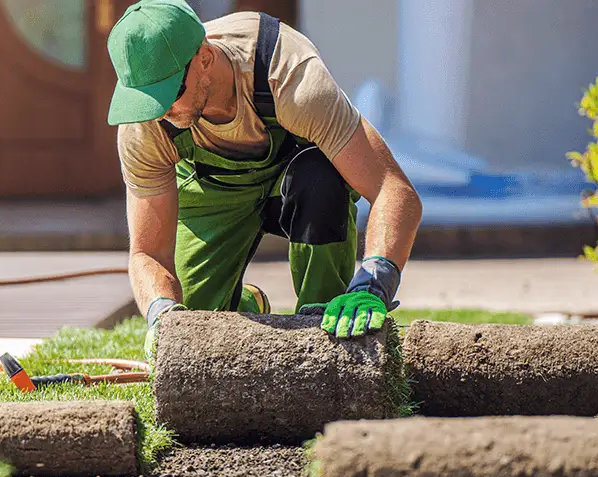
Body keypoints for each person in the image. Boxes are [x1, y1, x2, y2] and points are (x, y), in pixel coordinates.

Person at [105, 0, 423, 362]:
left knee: (319, 176)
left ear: (205, 59)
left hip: (297, 181)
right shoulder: (143, 126)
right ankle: (244, 303)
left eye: (170, 94)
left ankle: (322, 322)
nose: (161, 111)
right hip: (213, 188)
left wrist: (374, 282)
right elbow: (148, 252)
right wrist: (160, 312)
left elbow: (393, 190)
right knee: (192, 330)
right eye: (147, 100)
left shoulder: (290, 76)